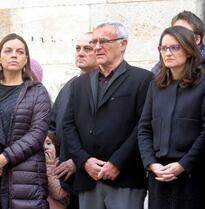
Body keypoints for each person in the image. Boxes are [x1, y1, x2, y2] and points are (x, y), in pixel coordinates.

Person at [63, 21, 153, 209]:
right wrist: (84, 161)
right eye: (94, 42)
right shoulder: (79, 84)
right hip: (88, 179)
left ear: (123, 44)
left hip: (125, 178)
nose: (96, 47)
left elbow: (143, 126)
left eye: (103, 41)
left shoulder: (142, 80)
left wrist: (117, 162)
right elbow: (68, 126)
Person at [0, 33, 51, 209]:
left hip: (24, 178)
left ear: (25, 60)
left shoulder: (37, 92)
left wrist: (5, 158)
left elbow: (37, 133)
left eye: (20, 52)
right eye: (8, 51)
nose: (14, 55)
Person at [138, 26, 205, 209]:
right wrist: (151, 163)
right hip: (159, 173)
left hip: (192, 174)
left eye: (174, 47)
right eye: (163, 48)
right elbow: (143, 129)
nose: (168, 53)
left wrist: (183, 164)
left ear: (188, 51)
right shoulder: (155, 86)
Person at [49, 31, 98, 209]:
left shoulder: (104, 87)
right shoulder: (69, 86)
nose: (80, 52)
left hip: (91, 177)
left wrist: (78, 161)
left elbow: (106, 134)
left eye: (87, 48)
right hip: (63, 179)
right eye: (78, 48)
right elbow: (53, 127)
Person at [151, 10, 205, 82]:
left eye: (184, 33)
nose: (177, 36)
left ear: (197, 39)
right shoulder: (158, 70)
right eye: (175, 32)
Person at [44, 131, 69, 209]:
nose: (45, 147)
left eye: (48, 143)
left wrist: (49, 166)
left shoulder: (62, 165)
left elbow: (59, 193)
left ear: (55, 146)